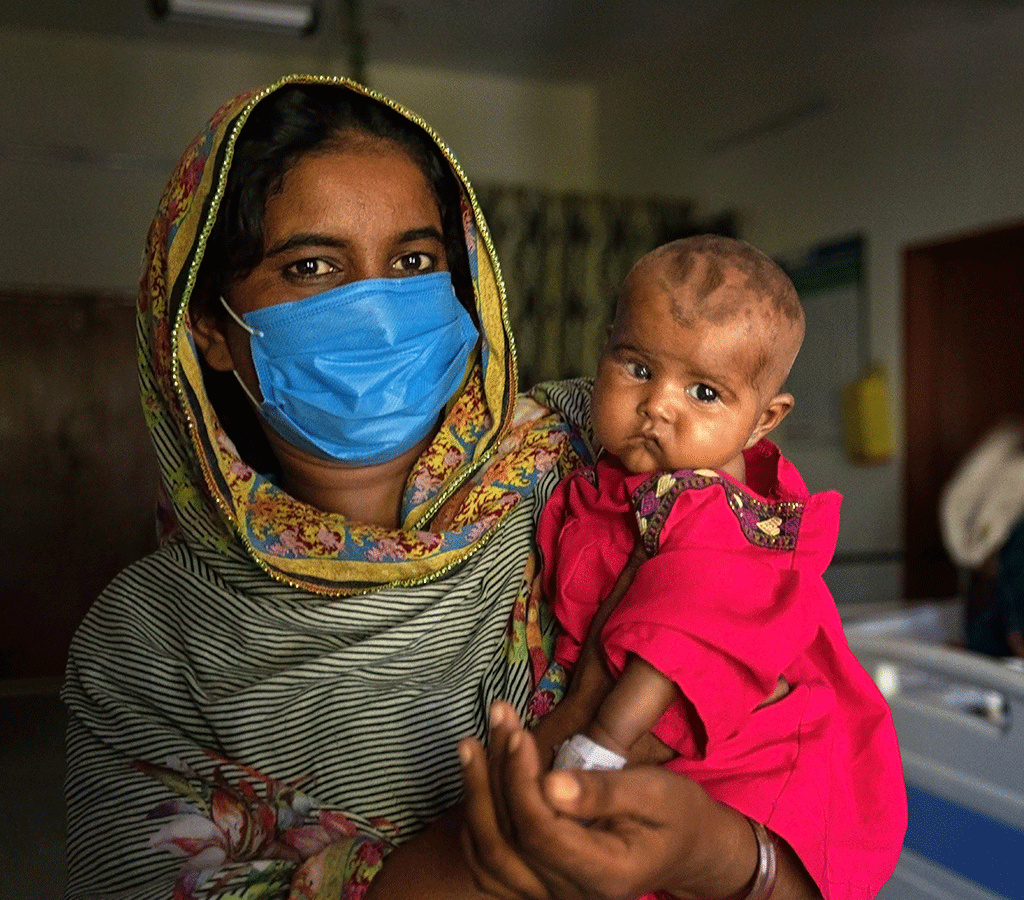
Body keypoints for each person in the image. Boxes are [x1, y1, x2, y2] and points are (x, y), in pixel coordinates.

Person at [60, 74, 887, 900]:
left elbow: (808, 747)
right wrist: (478, 861)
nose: (377, 307)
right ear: (207, 327)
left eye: (415, 260)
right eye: (312, 266)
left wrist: (727, 859)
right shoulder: (144, 648)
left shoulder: (611, 455)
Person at [521, 236, 906, 899]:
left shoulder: (715, 515)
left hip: (728, 744)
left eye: (704, 391)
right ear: (604, 350)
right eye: (637, 368)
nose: (659, 406)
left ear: (763, 421)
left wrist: (598, 747)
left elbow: (675, 650)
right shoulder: (609, 472)